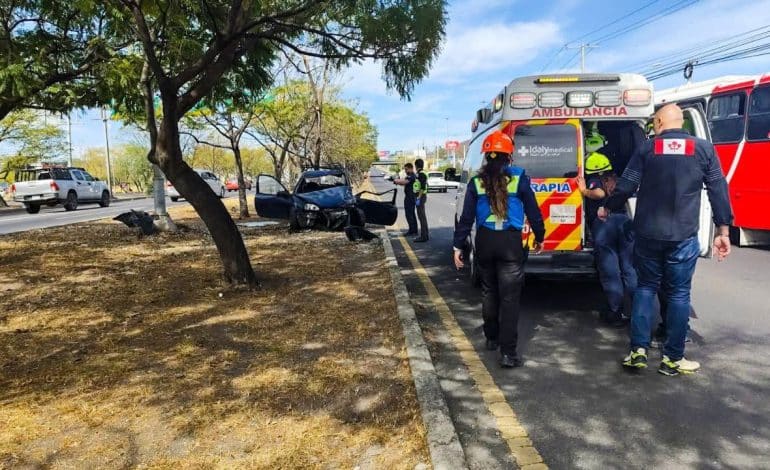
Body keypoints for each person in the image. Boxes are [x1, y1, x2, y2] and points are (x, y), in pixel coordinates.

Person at [600, 104, 733, 376]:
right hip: (683, 236)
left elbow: (626, 184)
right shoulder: (703, 149)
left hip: (647, 235)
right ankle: (673, 359)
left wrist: (609, 206)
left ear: (660, 122)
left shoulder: (647, 149)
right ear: (681, 123)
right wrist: (723, 230)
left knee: (646, 289)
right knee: (679, 293)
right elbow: (718, 188)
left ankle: (638, 350)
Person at [452, 130, 545, 368]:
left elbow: (466, 218)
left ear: (486, 157)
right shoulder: (519, 178)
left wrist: (457, 246)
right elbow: (533, 212)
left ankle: (491, 337)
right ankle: (508, 353)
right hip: (510, 244)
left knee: (489, 292)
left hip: (485, 241)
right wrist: (539, 236)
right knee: (510, 299)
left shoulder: (475, 182)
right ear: (508, 156)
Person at [577, 148, 636, 327]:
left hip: (605, 225)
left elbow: (599, 194)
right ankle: (637, 310)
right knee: (630, 269)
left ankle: (615, 311)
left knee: (610, 271)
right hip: (625, 223)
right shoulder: (616, 179)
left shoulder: (595, 179)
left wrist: (584, 190)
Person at [392, 163, 418, 236]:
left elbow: (405, 182)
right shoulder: (411, 175)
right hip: (410, 197)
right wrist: (398, 182)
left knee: (409, 214)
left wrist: (395, 181)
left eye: (406, 169)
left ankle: (412, 231)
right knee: (411, 214)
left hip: (410, 198)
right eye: (405, 169)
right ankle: (414, 230)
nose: (405, 171)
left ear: (410, 168)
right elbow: (404, 183)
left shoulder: (411, 175)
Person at [413, 158, 430, 242]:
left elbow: (422, 187)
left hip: (421, 196)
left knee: (421, 217)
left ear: (416, 165)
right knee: (422, 216)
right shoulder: (420, 173)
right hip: (421, 196)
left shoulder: (421, 174)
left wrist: (418, 198)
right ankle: (425, 235)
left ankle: (424, 237)